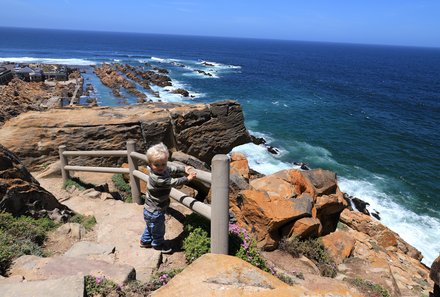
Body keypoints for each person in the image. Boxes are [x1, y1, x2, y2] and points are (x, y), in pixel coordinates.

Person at [140, 142, 196, 254]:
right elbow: (173, 182)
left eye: (163, 164)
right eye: (157, 164)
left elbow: (171, 169)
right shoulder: (157, 178)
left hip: (149, 209)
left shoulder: (163, 169)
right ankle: (158, 244)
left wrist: (183, 168)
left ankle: (145, 241)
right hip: (156, 210)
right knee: (159, 229)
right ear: (150, 164)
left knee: (151, 226)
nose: (161, 167)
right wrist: (188, 178)